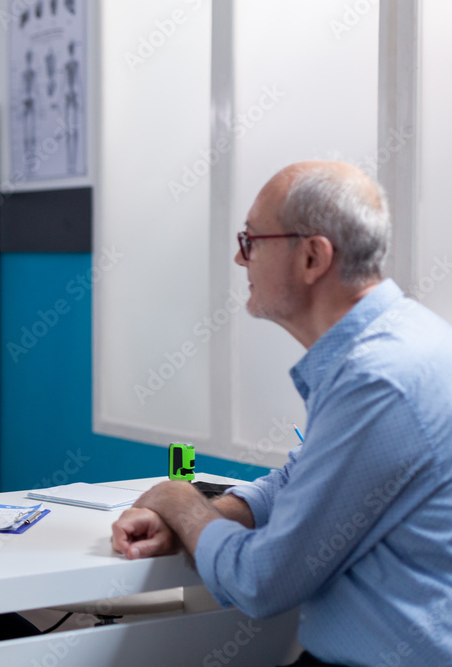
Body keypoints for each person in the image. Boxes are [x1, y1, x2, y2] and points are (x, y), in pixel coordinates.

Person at [111, 161, 452, 666]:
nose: (238, 257)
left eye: (252, 240)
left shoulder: (375, 380)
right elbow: (301, 477)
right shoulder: (407, 340)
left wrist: (178, 501)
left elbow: (262, 581)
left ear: (313, 256)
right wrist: (204, 517)